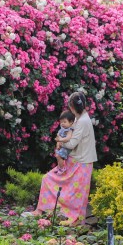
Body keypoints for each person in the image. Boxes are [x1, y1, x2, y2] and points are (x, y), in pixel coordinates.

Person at [35, 92, 98, 223]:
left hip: (81, 162)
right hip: (79, 161)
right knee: (51, 180)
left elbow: (71, 143)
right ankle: (43, 210)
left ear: (72, 106)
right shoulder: (80, 119)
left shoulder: (82, 122)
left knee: (74, 192)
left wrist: (59, 140)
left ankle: (70, 217)